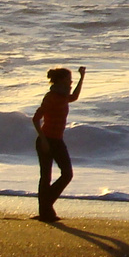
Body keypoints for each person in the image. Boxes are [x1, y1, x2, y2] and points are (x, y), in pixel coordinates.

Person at [32, 65, 85, 222]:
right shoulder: (51, 97)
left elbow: (74, 96)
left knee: (67, 174)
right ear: (61, 80)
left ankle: (46, 206)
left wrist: (82, 78)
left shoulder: (63, 96)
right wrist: (43, 140)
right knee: (46, 177)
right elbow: (35, 119)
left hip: (57, 140)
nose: (71, 82)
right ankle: (45, 212)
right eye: (69, 79)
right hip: (46, 140)